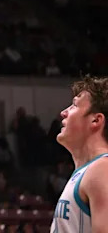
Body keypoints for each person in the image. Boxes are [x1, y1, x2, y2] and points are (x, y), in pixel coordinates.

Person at [50, 76, 108, 233]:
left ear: (95, 120)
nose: (63, 112)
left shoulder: (102, 169)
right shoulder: (88, 172)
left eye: (74, 105)